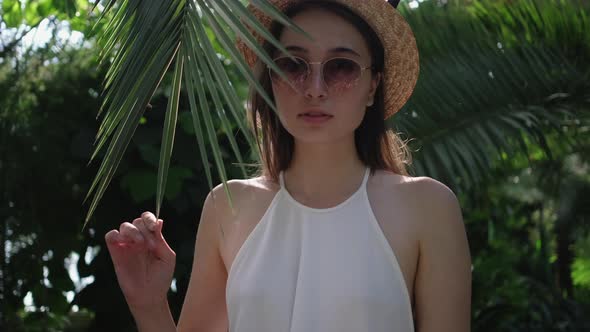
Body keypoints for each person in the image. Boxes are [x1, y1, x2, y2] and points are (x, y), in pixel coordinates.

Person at [104, 1, 472, 331]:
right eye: (292, 64)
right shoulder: (227, 206)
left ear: (373, 86)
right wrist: (149, 304)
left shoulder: (427, 206)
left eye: (341, 67)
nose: (314, 88)